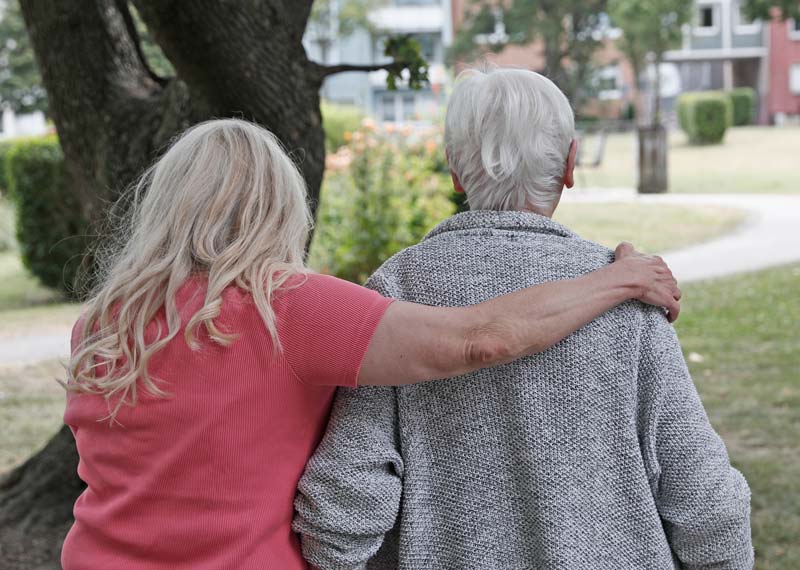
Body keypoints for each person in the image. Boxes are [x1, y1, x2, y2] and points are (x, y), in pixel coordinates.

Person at [60, 118, 680, 570]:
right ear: (279, 208)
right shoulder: (290, 308)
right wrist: (617, 278)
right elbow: (481, 339)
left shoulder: (103, 323)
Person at [293, 69, 753, 569]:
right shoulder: (631, 295)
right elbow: (707, 505)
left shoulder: (398, 293)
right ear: (570, 165)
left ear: (453, 169)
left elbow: (341, 508)